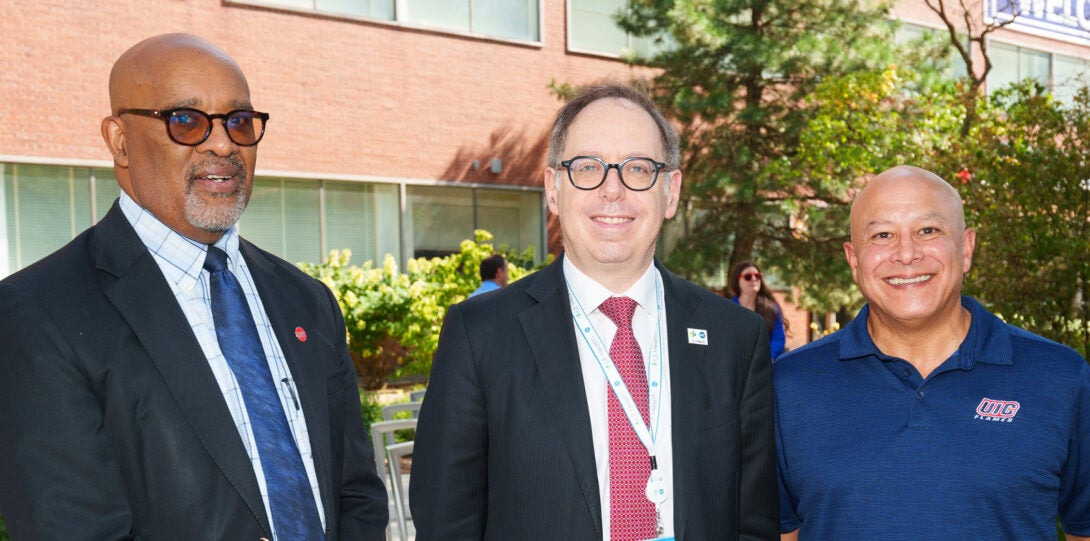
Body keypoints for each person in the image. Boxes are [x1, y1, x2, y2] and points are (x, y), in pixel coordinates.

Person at [0, 34, 388, 540]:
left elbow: (354, 491)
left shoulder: (306, 300)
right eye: (185, 120)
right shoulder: (38, 313)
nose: (223, 143)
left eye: (239, 121)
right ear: (119, 140)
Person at [410, 83, 779, 540]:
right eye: (587, 167)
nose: (612, 190)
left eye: (638, 168)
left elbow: (755, 524)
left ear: (671, 191)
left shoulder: (734, 337)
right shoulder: (480, 334)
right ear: (553, 187)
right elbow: (447, 523)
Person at [775, 165, 1090, 540]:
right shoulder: (789, 385)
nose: (906, 253)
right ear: (854, 260)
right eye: (882, 234)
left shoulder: (1061, 378)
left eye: (928, 230)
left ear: (966, 247)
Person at [728, 261, 789, 359]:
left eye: (757, 276)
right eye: (748, 277)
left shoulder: (771, 308)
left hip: (765, 365)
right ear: (737, 281)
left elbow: (778, 339)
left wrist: (767, 358)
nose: (754, 279)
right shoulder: (727, 310)